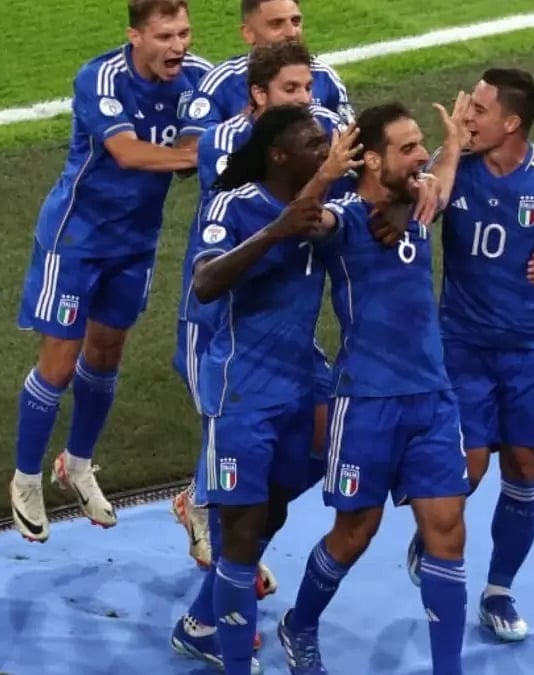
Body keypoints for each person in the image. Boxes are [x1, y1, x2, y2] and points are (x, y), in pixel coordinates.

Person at [276, 99, 472, 675]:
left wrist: (453, 146)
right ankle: (300, 624)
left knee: (446, 533)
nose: (420, 158)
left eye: (421, 146)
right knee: (355, 532)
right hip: (364, 404)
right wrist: (326, 170)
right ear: (371, 161)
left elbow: (438, 176)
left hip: (433, 401)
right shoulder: (345, 223)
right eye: (408, 148)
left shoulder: (420, 199)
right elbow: (299, 215)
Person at [411, 67, 534, 642]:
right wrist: (448, 148)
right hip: (462, 345)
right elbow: (419, 206)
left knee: (523, 466)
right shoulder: (457, 170)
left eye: (479, 110)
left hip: (530, 349)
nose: (468, 117)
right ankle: (434, 533)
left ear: (511, 122)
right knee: (466, 469)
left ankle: (498, 590)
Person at [169, 105, 363, 675]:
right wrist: (277, 231)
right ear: (279, 154)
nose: (326, 151)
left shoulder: (325, 201)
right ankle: (224, 654)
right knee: (246, 524)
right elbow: (205, 282)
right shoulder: (236, 205)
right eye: (314, 143)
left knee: (274, 508)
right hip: (242, 390)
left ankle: (202, 620)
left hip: (303, 380)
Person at [8, 0, 212, 543]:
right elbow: (127, 153)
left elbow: (196, 146)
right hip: (75, 239)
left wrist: (202, 149)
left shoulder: (198, 79)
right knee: (59, 362)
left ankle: (76, 464)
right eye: (166, 35)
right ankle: (25, 479)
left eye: (185, 33)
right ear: (135, 36)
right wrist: (207, 153)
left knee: (105, 356)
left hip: (135, 244)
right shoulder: (99, 77)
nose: (179, 46)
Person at [169, 40, 347, 585]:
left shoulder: (318, 127)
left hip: (286, 329)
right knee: (238, 468)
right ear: (258, 92)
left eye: (308, 87)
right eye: (291, 89)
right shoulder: (226, 144)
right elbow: (262, 202)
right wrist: (326, 174)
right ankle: (222, 555)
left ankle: (226, 521)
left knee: (326, 442)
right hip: (221, 328)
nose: (305, 99)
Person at [179, 0, 353, 140]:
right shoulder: (221, 82)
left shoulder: (325, 77)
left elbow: (352, 142)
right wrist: (247, 124)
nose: (291, 32)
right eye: (276, 24)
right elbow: (190, 154)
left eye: (296, 21)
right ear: (248, 33)